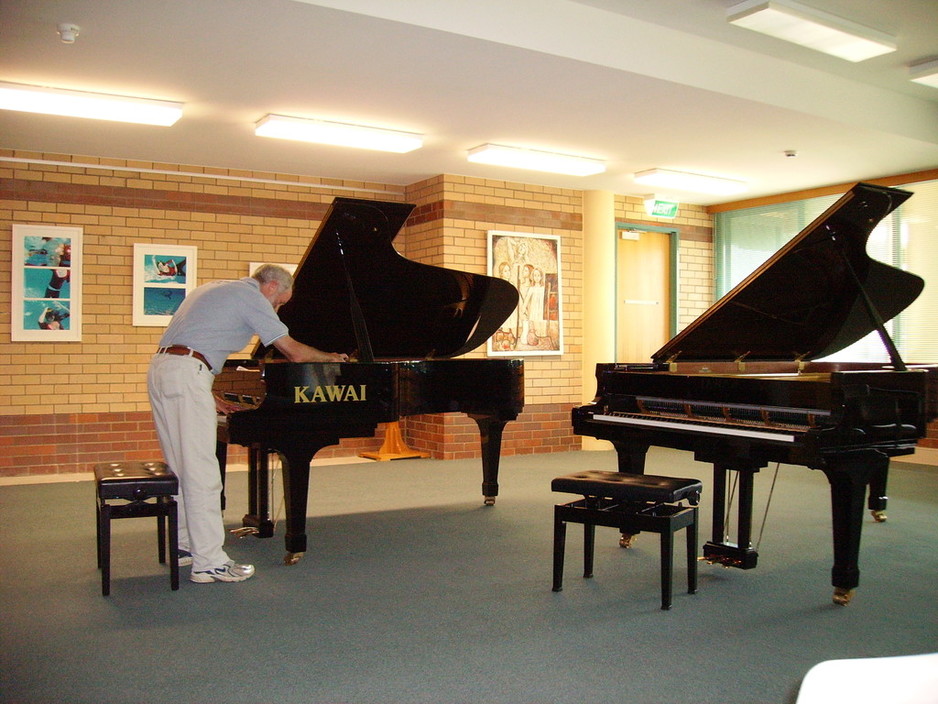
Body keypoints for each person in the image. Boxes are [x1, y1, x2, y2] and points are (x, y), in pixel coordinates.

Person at [147, 264, 348, 583]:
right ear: (270, 287)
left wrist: (207, 392)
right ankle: (209, 562)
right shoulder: (251, 296)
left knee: (181, 466)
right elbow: (293, 353)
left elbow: (190, 343)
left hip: (166, 371)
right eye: (281, 302)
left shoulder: (213, 287)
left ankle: (186, 546)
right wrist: (331, 358)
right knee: (202, 471)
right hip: (186, 374)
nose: (278, 308)